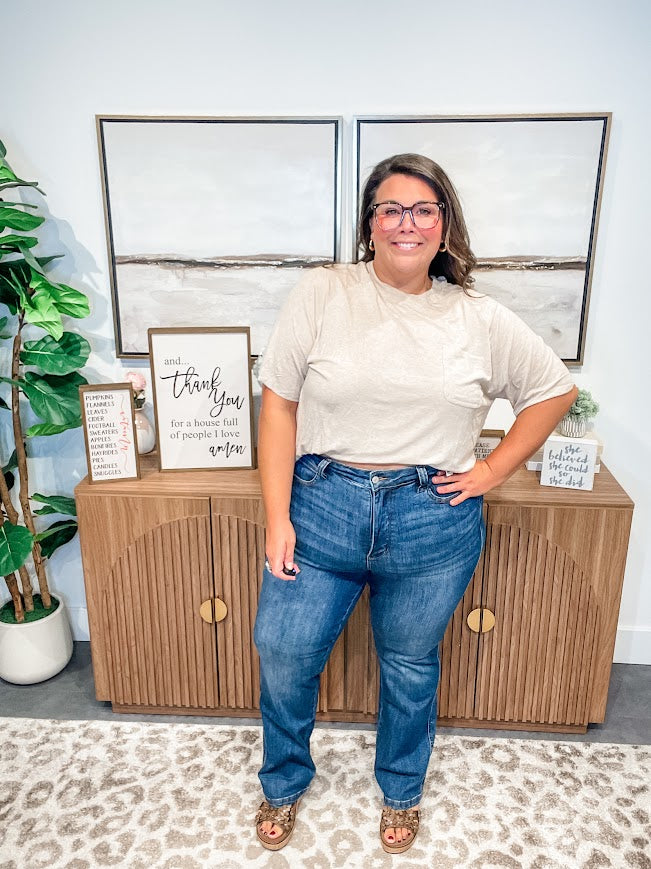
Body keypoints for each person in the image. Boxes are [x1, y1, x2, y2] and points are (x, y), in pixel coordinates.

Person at [253, 153, 577, 854]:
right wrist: (277, 516)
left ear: (444, 224)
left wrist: (490, 469)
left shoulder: (478, 317)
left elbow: (554, 391)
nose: (407, 223)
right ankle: (283, 779)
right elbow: (278, 404)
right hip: (322, 506)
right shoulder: (323, 291)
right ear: (369, 223)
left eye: (423, 210)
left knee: (407, 662)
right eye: (391, 209)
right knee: (282, 650)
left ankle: (401, 791)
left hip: (431, 520)